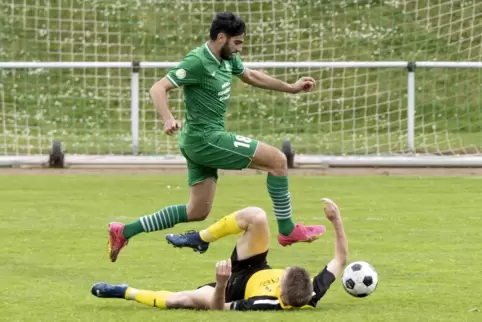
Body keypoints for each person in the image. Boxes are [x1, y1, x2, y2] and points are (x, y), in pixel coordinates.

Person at [106, 11, 323, 263]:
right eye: (237, 42)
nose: (240, 48)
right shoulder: (198, 61)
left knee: (197, 210)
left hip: (196, 140)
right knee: (277, 161)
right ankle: (287, 231)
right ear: (222, 38)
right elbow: (158, 87)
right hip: (205, 138)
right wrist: (167, 118)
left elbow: (251, 76)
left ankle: (124, 231)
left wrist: (291, 87)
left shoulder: (227, 59)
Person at [92, 198, 348, 311]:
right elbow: (340, 259)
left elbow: (219, 310)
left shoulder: (260, 304)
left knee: (180, 301)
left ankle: (124, 291)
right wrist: (336, 220)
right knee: (256, 216)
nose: (283, 272)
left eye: (284, 275)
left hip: (231, 288)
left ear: (280, 293)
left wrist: (222, 282)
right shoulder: (310, 292)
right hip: (255, 265)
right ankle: (200, 239)